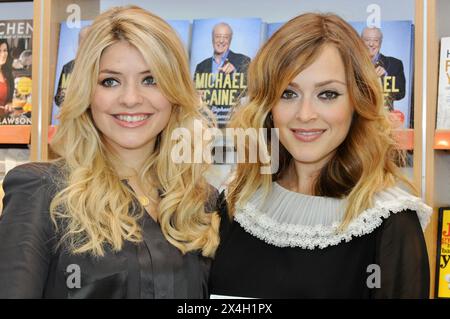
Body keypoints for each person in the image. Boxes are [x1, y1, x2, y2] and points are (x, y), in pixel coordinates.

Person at [0, 5, 219, 298]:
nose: (130, 99)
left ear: (175, 92)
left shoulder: (200, 202)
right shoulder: (43, 192)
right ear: (87, 92)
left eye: (150, 79)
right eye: (110, 81)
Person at [209, 13, 431, 299]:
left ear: (357, 100)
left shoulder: (391, 223)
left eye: (327, 94)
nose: (305, 115)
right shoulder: (235, 201)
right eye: (288, 94)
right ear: (267, 104)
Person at [361, 26, 406, 111]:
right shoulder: (353, 64)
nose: (371, 44)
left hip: (385, 118)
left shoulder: (395, 64)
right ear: (360, 42)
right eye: (367, 40)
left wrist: (385, 77)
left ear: (380, 43)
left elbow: (401, 94)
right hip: (361, 118)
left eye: (375, 40)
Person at [54, 25, 91, 107]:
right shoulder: (68, 67)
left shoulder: (103, 66)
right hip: (75, 117)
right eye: (83, 41)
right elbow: (60, 99)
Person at [0, 39, 14, 118]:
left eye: (5, 50)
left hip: (5, 120)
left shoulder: (7, 73)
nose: (3, 54)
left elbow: (9, 99)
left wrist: (9, 103)